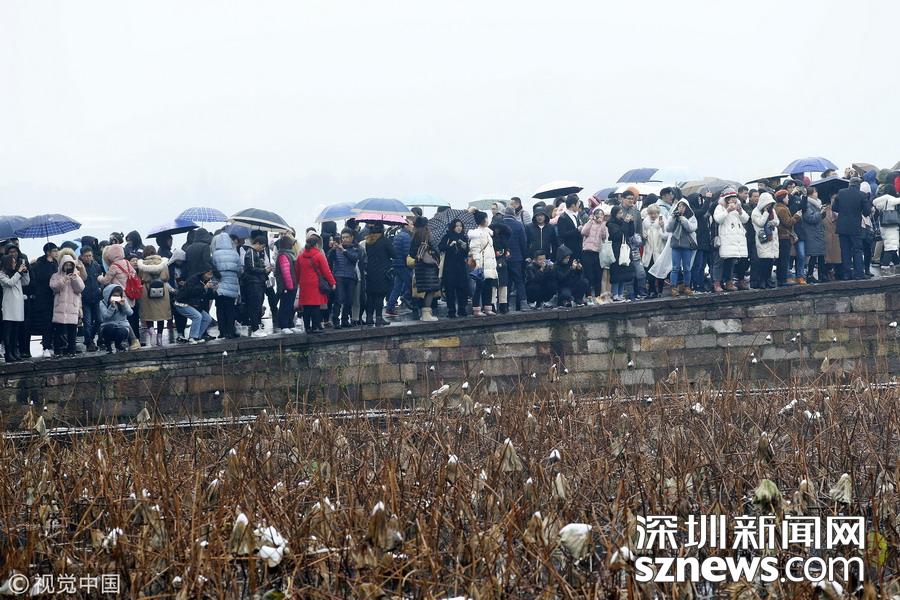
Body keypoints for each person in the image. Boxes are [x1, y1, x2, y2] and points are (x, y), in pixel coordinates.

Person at [295, 231, 336, 333]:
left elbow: (297, 271)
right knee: (315, 306)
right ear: (316, 244)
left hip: (304, 284)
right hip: (315, 284)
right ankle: (315, 327)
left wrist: (298, 282)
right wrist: (332, 283)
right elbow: (326, 271)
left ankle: (307, 328)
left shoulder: (300, 256)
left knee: (306, 307)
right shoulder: (319, 255)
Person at [833, 177, 871, 280]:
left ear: (849, 184)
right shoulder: (862, 195)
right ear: (859, 185)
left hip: (842, 226)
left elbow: (834, 208)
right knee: (857, 250)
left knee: (845, 250)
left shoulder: (841, 192)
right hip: (855, 227)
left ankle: (846, 274)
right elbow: (867, 212)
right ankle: (859, 274)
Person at [713, 188, 750, 291]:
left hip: (735, 239)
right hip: (725, 238)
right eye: (731, 198)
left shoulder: (738, 207)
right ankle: (717, 283)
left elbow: (746, 219)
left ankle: (729, 282)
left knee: (731, 261)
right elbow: (718, 219)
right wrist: (727, 210)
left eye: (734, 197)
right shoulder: (720, 207)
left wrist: (740, 211)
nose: (733, 199)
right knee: (720, 262)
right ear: (726, 199)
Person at [49, 250, 85, 357]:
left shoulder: (76, 276)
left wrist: (74, 279)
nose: (68, 266)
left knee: (72, 331)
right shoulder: (56, 275)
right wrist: (63, 280)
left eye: (70, 265)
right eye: (66, 264)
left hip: (72, 307)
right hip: (59, 307)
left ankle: (72, 350)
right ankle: (58, 350)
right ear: (62, 265)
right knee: (58, 330)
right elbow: (53, 287)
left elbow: (80, 289)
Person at [29, 242, 60, 358]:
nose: (56, 253)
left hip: (55, 297)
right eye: (54, 251)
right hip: (44, 298)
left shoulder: (56, 263)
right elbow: (39, 279)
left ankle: (54, 345)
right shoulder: (39, 264)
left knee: (55, 323)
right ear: (48, 252)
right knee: (47, 323)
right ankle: (46, 346)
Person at [137, 245, 172, 346]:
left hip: (147, 289)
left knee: (148, 314)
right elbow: (166, 277)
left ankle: (152, 331)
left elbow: (140, 277)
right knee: (161, 315)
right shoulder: (163, 263)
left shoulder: (142, 264)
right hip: (162, 290)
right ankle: (159, 337)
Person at [409, 217, 442, 322]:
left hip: (419, 266)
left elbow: (411, 253)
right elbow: (436, 249)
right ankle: (426, 314)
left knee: (426, 289)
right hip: (429, 267)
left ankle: (424, 313)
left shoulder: (415, 236)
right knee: (431, 290)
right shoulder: (427, 236)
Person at [211, 231, 242, 339]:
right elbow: (239, 270)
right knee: (230, 309)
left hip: (219, 285)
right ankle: (230, 331)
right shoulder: (234, 253)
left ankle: (222, 332)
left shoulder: (215, 254)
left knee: (220, 309)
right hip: (232, 285)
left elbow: (213, 270)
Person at [327, 229, 360, 328]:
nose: (345, 239)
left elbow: (354, 259)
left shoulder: (355, 249)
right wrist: (333, 249)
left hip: (351, 277)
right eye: (343, 237)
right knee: (339, 299)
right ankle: (335, 320)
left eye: (347, 237)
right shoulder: (336, 249)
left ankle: (345, 320)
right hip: (339, 276)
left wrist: (344, 251)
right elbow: (329, 259)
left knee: (349, 300)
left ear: (351, 238)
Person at [467, 210, 498, 317]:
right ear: (483, 220)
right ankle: (476, 308)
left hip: (489, 263)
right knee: (479, 287)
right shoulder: (477, 233)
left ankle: (487, 307)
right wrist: (477, 264)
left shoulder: (487, 232)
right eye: (486, 218)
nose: (487, 220)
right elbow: (475, 249)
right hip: (482, 263)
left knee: (488, 286)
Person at [438, 219, 470, 318]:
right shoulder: (447, 236)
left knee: (462, 288)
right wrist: (450, 245)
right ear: (453, 227)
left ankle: (462, 309)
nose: (459, 228)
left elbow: (466, 253)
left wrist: (465, 247)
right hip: (449, 267)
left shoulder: (464, 237)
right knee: (450, 289)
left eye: (460, 226)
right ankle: (451, 310)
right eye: (457, 226)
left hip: (461, 267)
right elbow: (440, 247)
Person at [1, 253, 29, 362]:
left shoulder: (16, 273)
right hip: (9, 304)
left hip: (18, 304)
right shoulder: (2, 274)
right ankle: (8, 353)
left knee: (16, 330)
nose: (14, 264)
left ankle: (14, 351)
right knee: (8, 330)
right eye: (13, 262)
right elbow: (10, 283)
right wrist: (19, 272)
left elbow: (26, 282)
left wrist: (25, 272)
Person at [173, 269, 216, 343]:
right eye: (208, 274)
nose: (209, 276)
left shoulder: (208, 281)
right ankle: (192, 337)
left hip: (195, 305)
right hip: (182, 303)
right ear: (203, 272)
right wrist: (204, 287)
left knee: (207, 318)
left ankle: (198, 336)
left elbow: (210, 297)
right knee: (197, 316)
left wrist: (214, 290)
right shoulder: (194, 279)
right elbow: (191, 292)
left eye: (211, 275)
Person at [667, 199, 698, 297]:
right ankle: (673, 287)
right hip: (676, 245)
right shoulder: (673, 216)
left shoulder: (691, 217)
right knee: (675, 268)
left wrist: (684, 220)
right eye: (679, 206)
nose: (681, 208)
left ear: (687, 207)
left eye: (683, 206)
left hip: (686, 245)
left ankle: (687, 286)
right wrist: (673, 218)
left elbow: (691, 228)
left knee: (687, 268)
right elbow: (668, 229)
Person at [241, 235, 270, 336]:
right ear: (257, 243)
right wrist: (264, 270)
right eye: (262, 246)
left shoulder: (253, 253)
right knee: (254, 306)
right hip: (253, 283)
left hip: (256, 282)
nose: (262, 249)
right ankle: (255, 329)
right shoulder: (251, 253)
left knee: (256, 305)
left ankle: (256, 326)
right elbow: (251, 268)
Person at [501, 206, 529, 311]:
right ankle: (523, 304)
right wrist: (524, 256)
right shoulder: (519, 225)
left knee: (505, 282)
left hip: (503, 257)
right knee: (519, 281)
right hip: (517, 257)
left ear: (504, 214)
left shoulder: (501, 224)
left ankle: (504, 305)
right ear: (513, 214)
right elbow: (523, 242)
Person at [606, 205, 635, 302]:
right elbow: (618, 235)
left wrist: (631, 223)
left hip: (625, 249)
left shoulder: (623, 222)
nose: (621, 215)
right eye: (619, 213)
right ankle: (615, 294)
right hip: (616, 250)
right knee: (617, 273)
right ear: (614, 214)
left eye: (622, 213)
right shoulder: (611, 224)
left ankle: (621, 293)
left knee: (624, 273)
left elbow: (630, 233)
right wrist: (626, 223)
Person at [751, 192, 780, 289]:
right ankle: (761, 280)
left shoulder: (772, 210)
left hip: (772, 238)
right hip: (763, 238)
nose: (769, 205)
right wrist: (766, 212)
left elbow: (777, 221)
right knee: (763, 260)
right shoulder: (755, 212)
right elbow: (760, 223)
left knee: (770, 261)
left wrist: (773, 222)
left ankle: (768, 279)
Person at [99, 284, 139, 352]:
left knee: (122, 331)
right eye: (114, 296)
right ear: (108, 295)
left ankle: (118, 344)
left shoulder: (123, 301)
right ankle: (108, 345)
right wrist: (112, 307)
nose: (116, 298)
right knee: (109, 328)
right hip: (108, 325)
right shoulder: (102, 303)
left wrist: (124, 306)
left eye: (118, 296)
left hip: (121, 325)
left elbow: (130, 313)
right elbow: (106, 316)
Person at [79, 246, 104, 352]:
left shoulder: (96, 265)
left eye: (90, 256)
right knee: (87, 322)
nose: (88, 258)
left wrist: (100, 288)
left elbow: (100, 278)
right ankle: (89, 343)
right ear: (82, 256)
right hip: (85, 299)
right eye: (86, 256)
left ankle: (90, 338)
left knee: (99, 320)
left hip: (96, 297)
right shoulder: (79, 267)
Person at [773, 189, 800, 286]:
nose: (788, 199)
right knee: (784, 259)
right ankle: (783, 279)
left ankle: (781, 278)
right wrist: (796, 216)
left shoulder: (776, 207)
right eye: (787, 197)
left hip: (780, 236)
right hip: (784, 236)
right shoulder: (782, 209)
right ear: (783, 198)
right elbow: (788, 223)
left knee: (782, 258)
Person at [385, 219, 412, 318]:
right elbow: (406, 252)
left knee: (397, 287)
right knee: (410, 284)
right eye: (411, 224)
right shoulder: (406, 236)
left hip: (396, 264)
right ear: (406, 225)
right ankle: (412, 303)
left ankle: (390, 307)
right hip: (403, 264)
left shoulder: (398, 235)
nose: (412, 226)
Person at [580, 206, 607, 304]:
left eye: (601, 215)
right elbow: (583, 232)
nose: (600, 217)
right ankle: (589, 297)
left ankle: (598, 297)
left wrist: (602, 224)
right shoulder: (590, 223)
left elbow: (604, 236)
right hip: (587, 251)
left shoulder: (603, 225)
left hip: (597, 252)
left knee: (598, 276)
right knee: (588, 276)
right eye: (598, 215)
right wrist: (590, 221)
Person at [641, 204, 669, 298]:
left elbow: (666, 236)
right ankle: (652, 290)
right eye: (651, 214)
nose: (653, 215)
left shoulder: (663, 220)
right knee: (649, 271)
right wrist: (644, 236)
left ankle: (660, 290)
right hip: (649, 250)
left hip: (659, 249)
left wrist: (662, 227)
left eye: (655, 213)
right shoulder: (645, 222)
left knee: (660, 271)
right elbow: (643, 234)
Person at [802, 186, 827, 282]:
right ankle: (810, 275)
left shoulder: (817, 204)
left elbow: (819, 218)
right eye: (815, 192)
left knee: (820, 255)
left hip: (818, 232)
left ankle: (822, 274)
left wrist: (822, 212)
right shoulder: (807, 204)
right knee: (813, 255)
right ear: (810, 194)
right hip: (811, 233)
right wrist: (820, 213)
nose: (817, 193)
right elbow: (810, 218)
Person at [273, 236, 298, 333]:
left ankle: (290, 324)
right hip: (286, 286)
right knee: (285, 305)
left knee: (290, 306)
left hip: (292, 285)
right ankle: (284, 325)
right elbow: (286, 272)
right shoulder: (283, 256)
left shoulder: (289, 255)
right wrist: (290, 286)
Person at [874, 184, 900, 273]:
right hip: (891, 226)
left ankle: (897, 263)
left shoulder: (879, 201)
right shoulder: (891, 199)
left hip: (883, 226)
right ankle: (885, 266)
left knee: (890, 245)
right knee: (891, 247)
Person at [555, 194, 583, 259]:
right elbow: (562, 234)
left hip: (578, 249)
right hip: (569, 250)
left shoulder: (577, 215)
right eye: (578, 203)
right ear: (573, 205)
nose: (579, 206)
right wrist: (577, 230)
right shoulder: (563, 217)